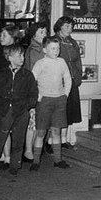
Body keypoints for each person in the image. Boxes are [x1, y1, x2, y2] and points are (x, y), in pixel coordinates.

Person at [0, 44, 37, 176]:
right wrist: (1, 106)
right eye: (19, 55)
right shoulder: (1, 74)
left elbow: (33, 93)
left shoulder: (27, 75)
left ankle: (15, 165)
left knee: (19, 140)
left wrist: (27, 107)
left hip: (21, 111)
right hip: (6, 110)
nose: (22, 58)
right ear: (9, 57)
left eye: (23, 55)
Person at [30, 36, 72, 171]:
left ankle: (58, 160)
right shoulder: (40, 63)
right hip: (44, 101)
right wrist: (38, 96)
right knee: (41, 132)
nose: (56, 51)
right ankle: (36, 161)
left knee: (56, 131)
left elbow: (67, 78)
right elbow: (32, 81)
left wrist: (66, 94)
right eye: (53, 48)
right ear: (44, 50)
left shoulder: (62, 62)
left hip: (59, 100)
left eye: (58, 48)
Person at [54, 16, 82, 148]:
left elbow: (78, 62)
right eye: (66, 26)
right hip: (59, 83)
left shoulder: (73, 42)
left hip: (72, 82)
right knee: (58, 113)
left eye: (71, 27)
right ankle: (53, 142)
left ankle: (64, 140)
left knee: (69, 113)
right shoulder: (53, 41)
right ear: (59, 26)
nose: (69, 29)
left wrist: (78, 77)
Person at [23, 21, 49, 161]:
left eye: (45, 32)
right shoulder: (34, 50)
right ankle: (28, 150)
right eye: (41, 32)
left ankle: (34, 149)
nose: (44, 34)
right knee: (33, 122)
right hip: (36, 89)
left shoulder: (41, 48)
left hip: (42, 89)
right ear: (34, 34)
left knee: (39, 121)